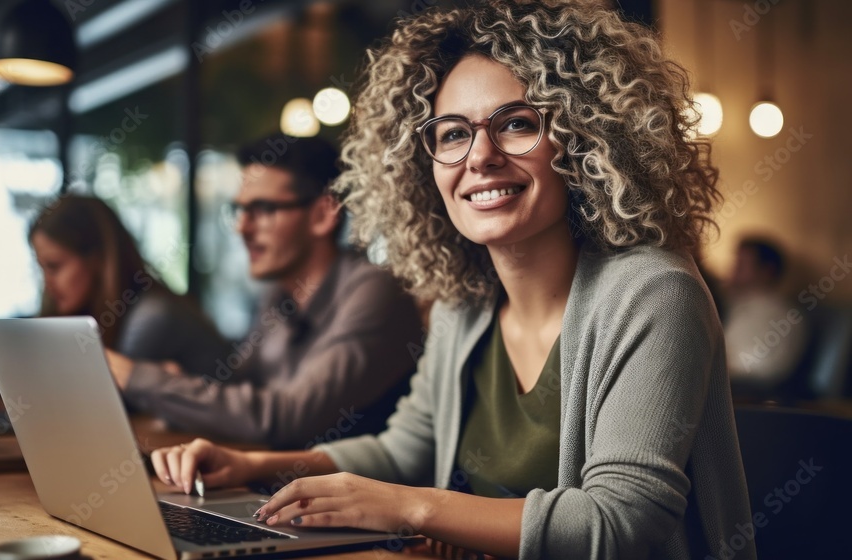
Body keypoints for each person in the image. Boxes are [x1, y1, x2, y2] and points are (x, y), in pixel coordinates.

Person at [150, 1, 754, 558]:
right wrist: (254, 462)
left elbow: (622, 524)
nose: (480, 156)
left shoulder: (652, 294)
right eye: (454, 133)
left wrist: (414, 507)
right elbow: (403, 450)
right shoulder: (462, 305)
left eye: (517, 123)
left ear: (586, 140)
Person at [105, 135, 424, 449]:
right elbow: (241, 386)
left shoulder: (375, 289)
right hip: (279, 485)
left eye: (263, 209)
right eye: (240, 210)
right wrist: (172, 382)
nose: (242, 228)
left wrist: (140, 379)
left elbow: (289, 418)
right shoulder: (279, 293)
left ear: (323, 215)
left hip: (355, 495)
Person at [29, 194, 227, 375]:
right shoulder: (109, 313)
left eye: (54, 267)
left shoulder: (152, 317)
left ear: (96, 259)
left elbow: (111, 402)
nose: (47, 284)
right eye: (42, 269)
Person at [723, 236, 808, 394]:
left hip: (752, 399)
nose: (731, 271)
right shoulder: (740, 305)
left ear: (767, 271)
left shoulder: (782, 315)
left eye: (741, 266)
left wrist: (717, 369)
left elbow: (768, 369)